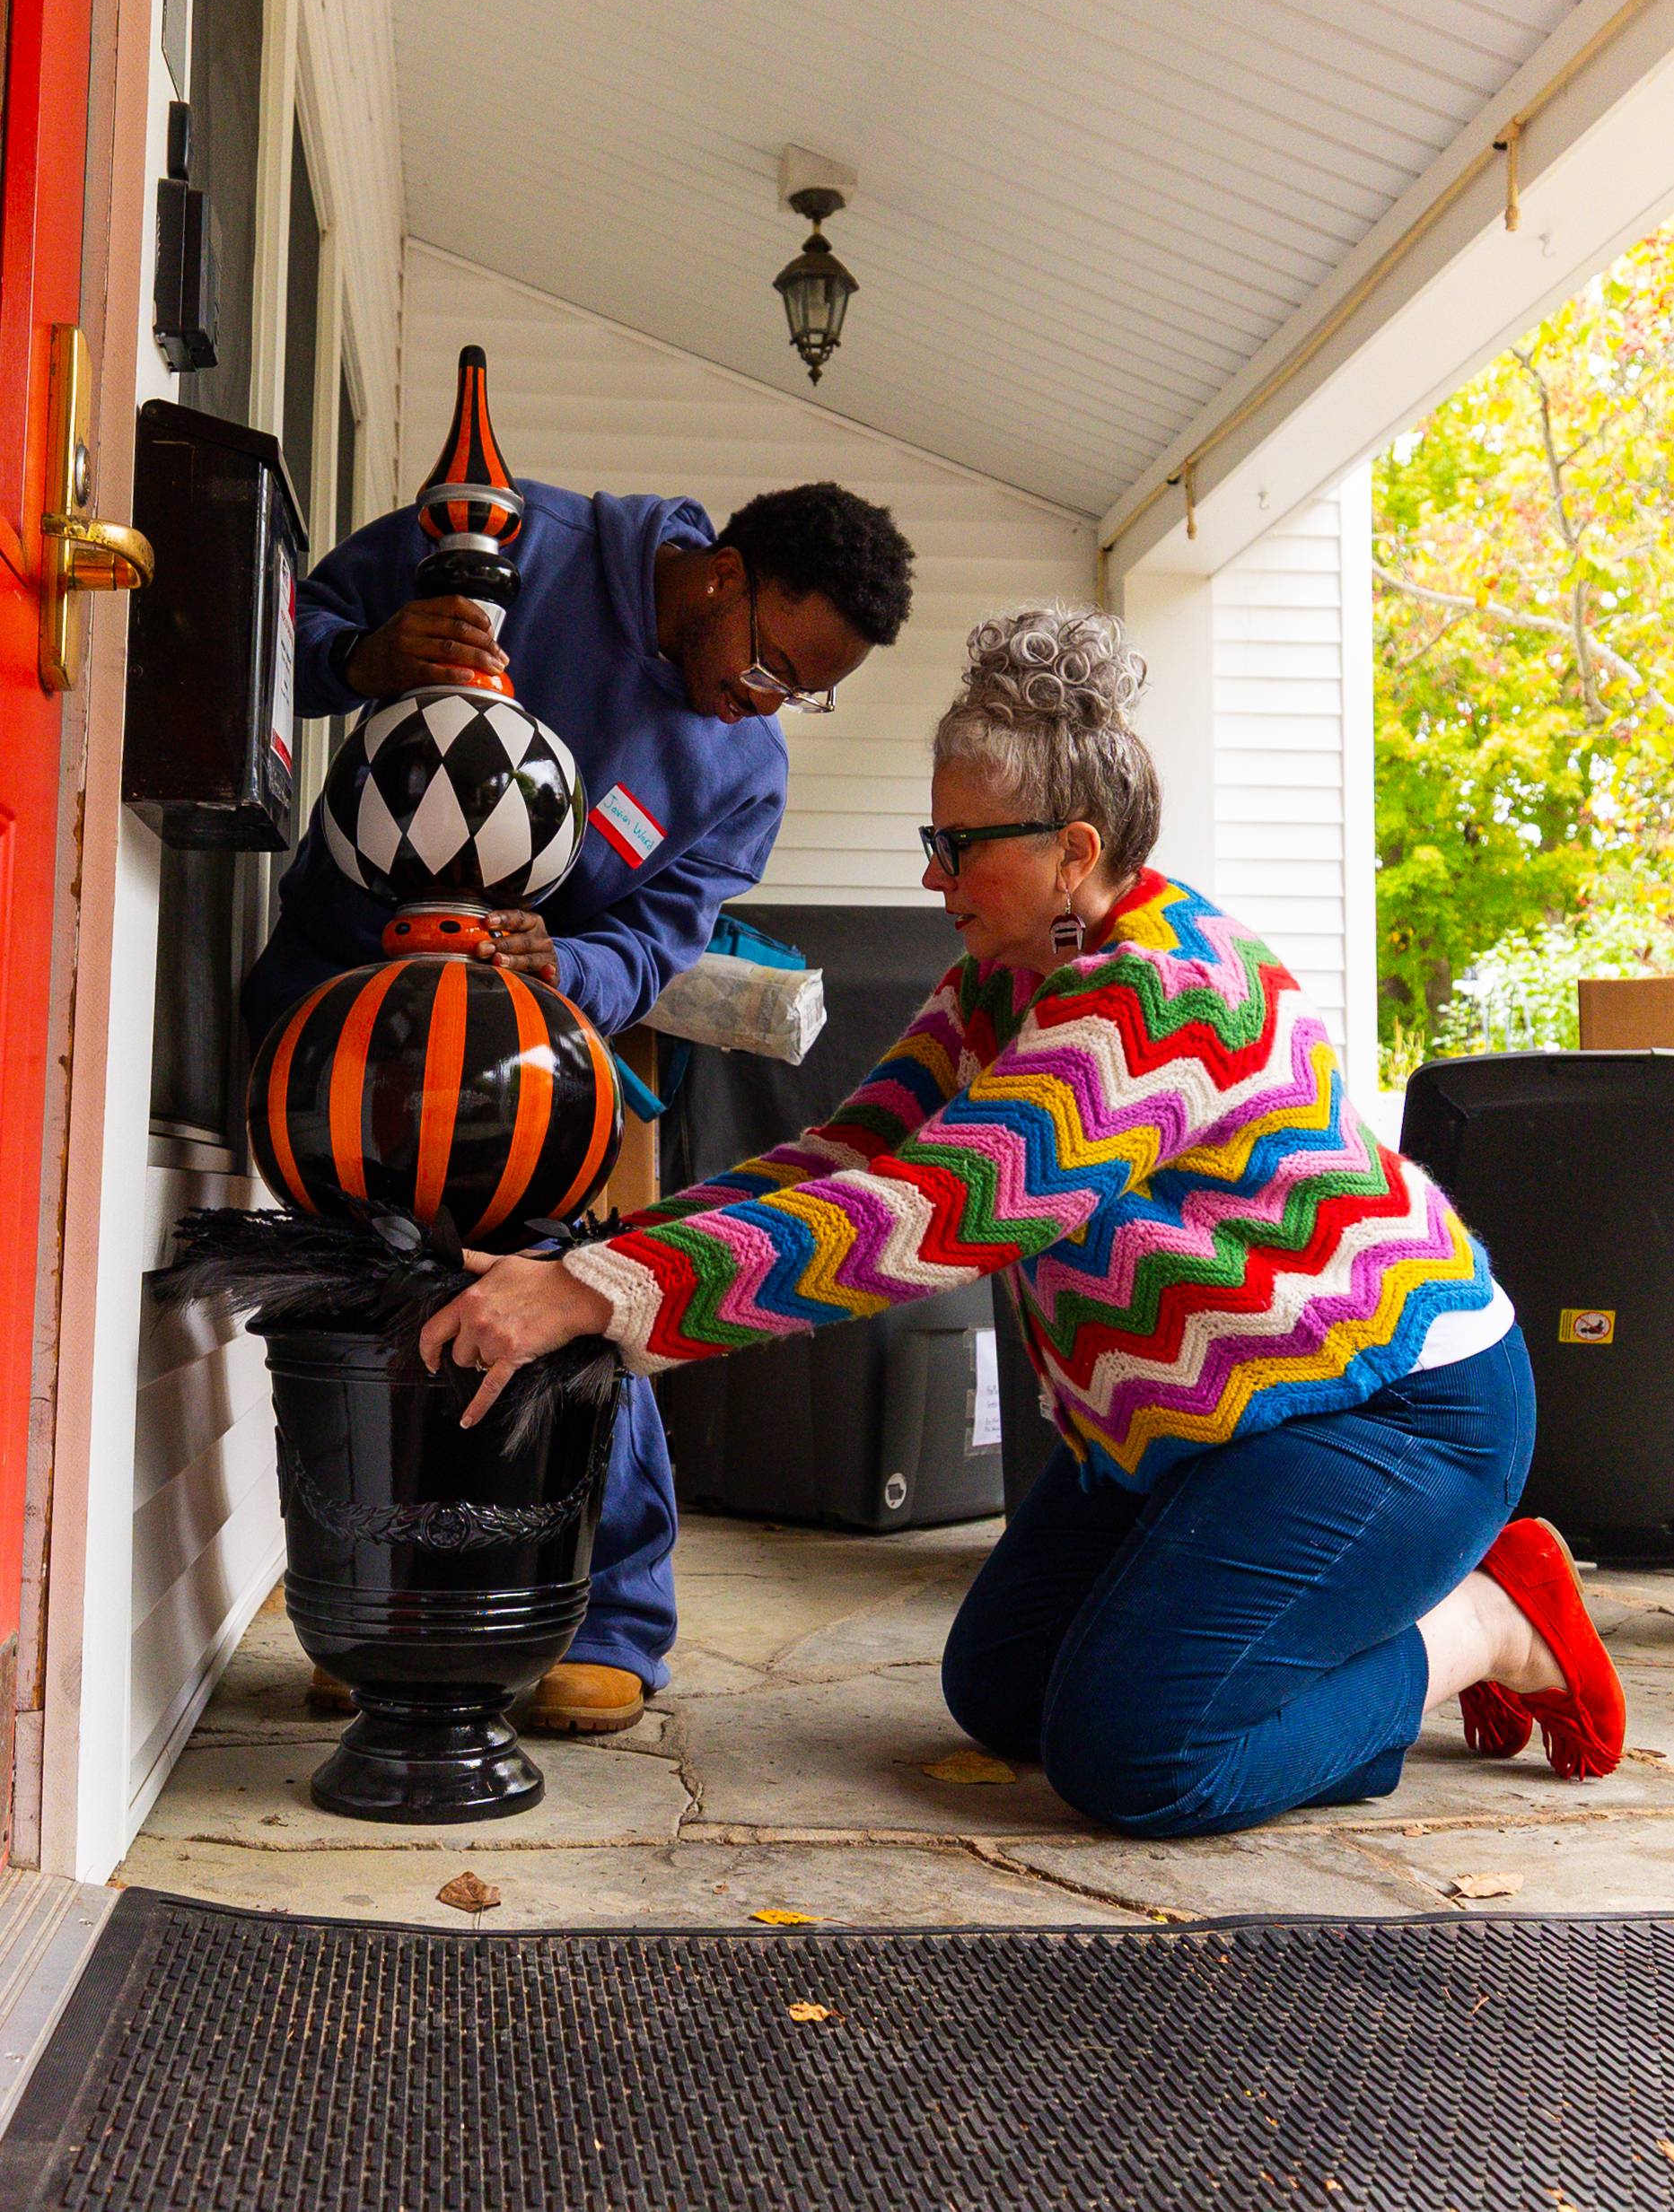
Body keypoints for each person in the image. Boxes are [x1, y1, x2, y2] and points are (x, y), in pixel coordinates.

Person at [420, 603, 1626, 1833]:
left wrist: (599, 1299)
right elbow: (849, 1155)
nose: (930, 874)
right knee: (999, 1690)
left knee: (1138, 1759)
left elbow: (940, 1208)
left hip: (1388, 1407)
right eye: (930, 836)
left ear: (1071, 849)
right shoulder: (1004, 972)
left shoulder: (1158, 992)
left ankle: (1484, 1621)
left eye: (957, 843)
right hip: (1208, 1412)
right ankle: (1298, 1621)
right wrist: (590, 1261)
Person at [245, 476, 915, 1735]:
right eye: (771, 663)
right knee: (355, 1290)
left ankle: (610, 1617)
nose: (764, 703)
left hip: (522, 1053)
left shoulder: (742, 770)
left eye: (801, 691)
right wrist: (368, 654)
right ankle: (373, 1604)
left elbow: (660, 936)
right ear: (719, 572)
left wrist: (574, 968)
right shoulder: (510, 538)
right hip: (342, 1005)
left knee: (566, 1291)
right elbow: (283, 639)